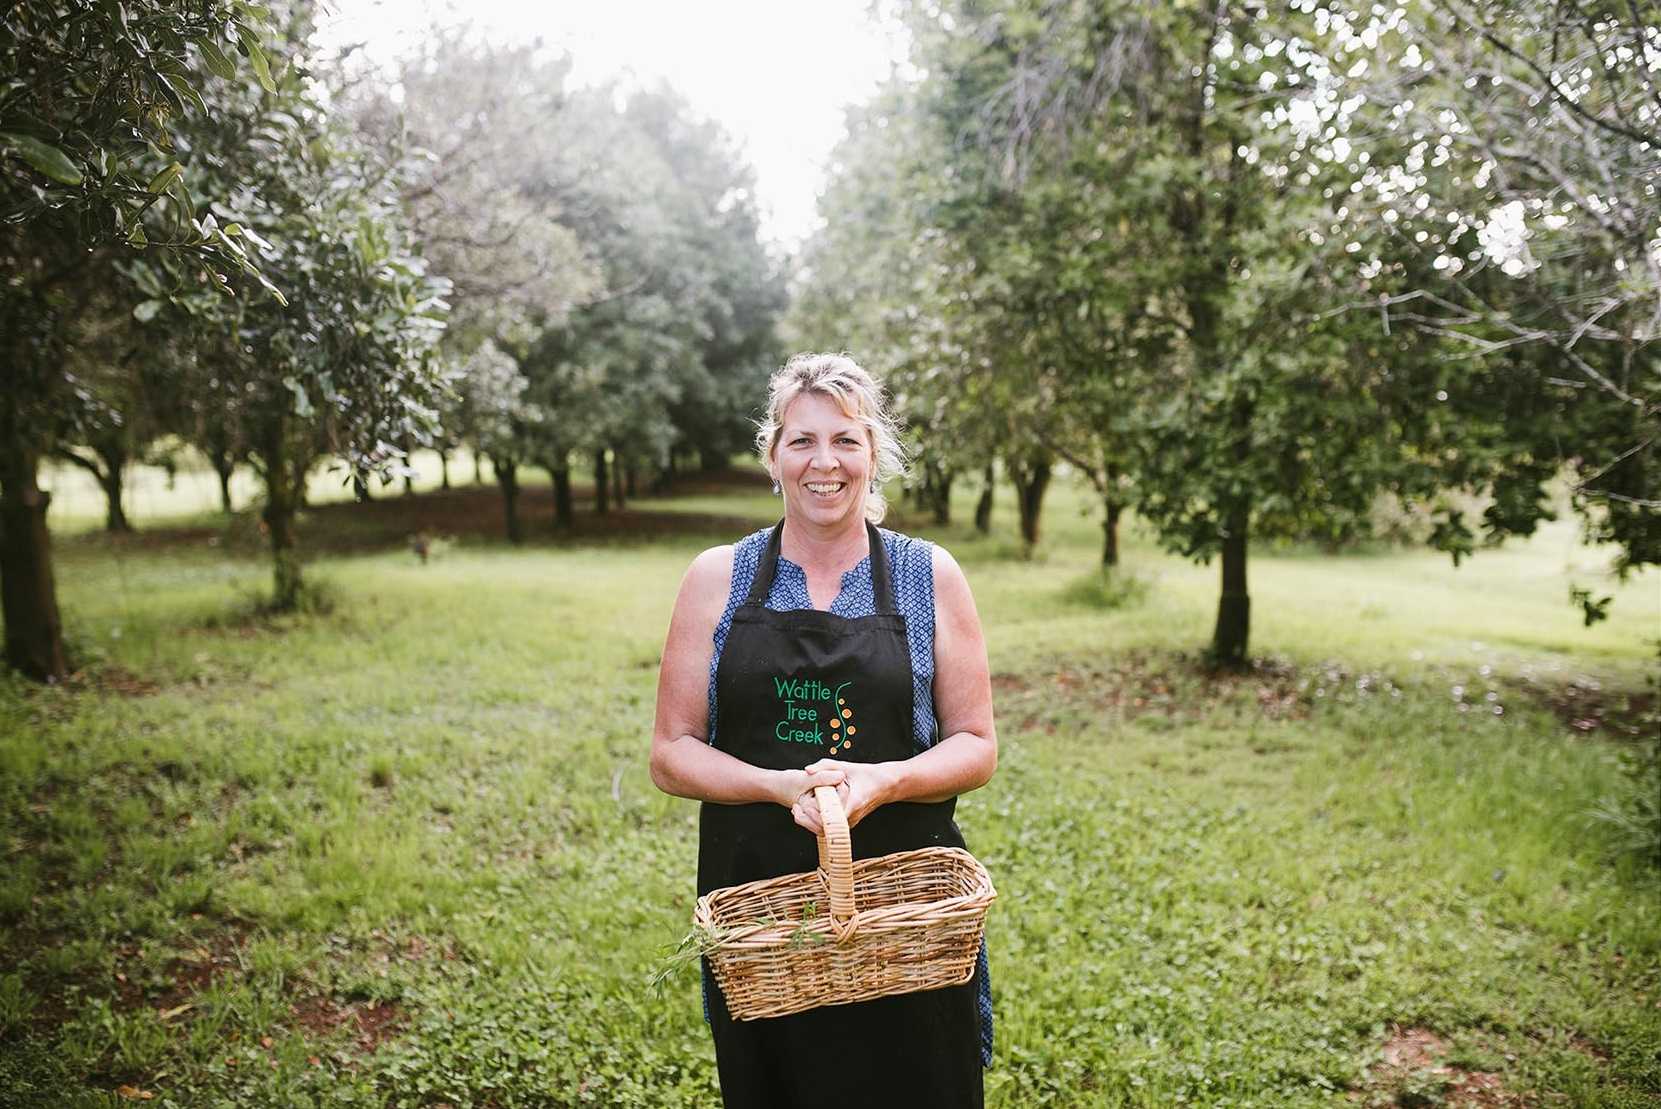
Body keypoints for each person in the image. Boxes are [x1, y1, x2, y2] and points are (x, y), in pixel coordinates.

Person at [650, 352, 998, 1108]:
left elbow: (976, 742)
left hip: (904, 911)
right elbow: (671, 753)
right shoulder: (720, 577)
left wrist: (884, 779)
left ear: (873, 454)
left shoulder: (925, 575)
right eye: (801, 440)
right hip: (762, 912)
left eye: (845, 439)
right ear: (773, 455)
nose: (824, 462)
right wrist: (777, 787)